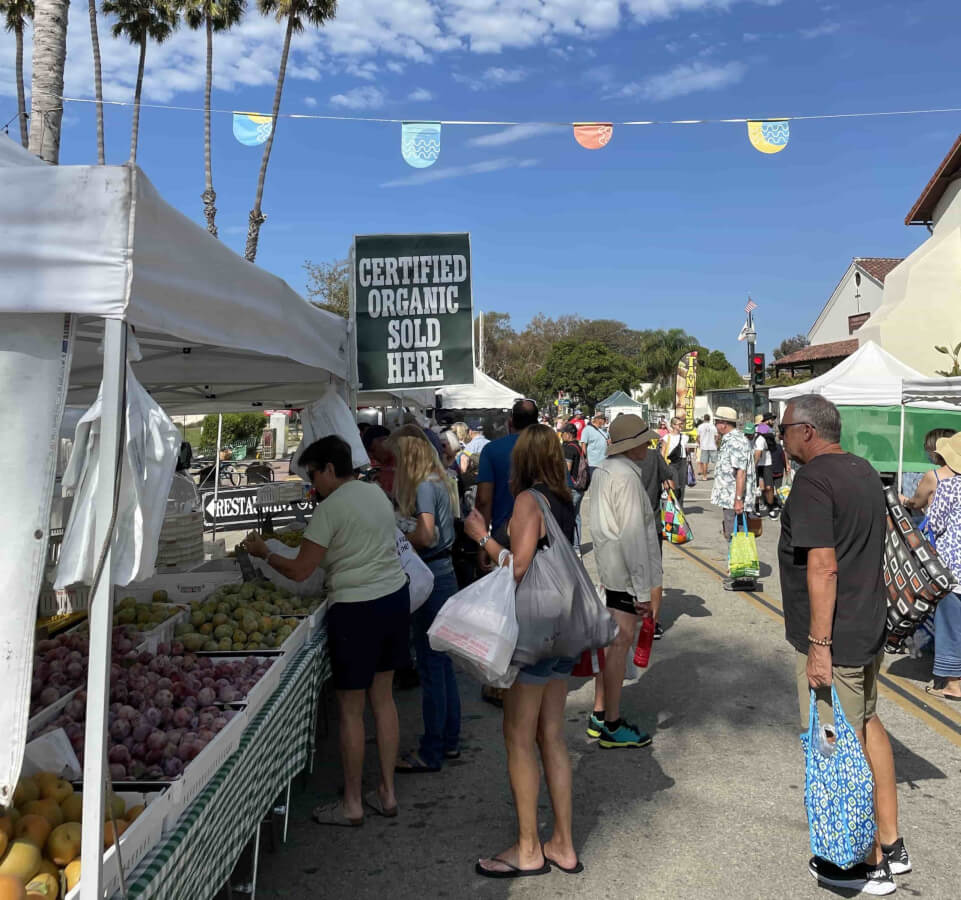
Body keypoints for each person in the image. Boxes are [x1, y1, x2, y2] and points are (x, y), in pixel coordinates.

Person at [777, 395, 910, 894]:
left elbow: (824, 565)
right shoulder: (863, 470)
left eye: (785, 428)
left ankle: (861, 863)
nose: (780, 437)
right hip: (866, 628)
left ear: (808, 431)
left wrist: (818, 645)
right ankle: (891, 844)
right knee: (868, 727)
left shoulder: (814, 481)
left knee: (836, 748)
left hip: (837, 639)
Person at [242, 436, 408, 825]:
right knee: (383, 700)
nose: (314, 484)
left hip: (355, 609)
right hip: (393, 598)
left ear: (330, 468)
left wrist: (265, 552)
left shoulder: (329, 511)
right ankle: (387, 792)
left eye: (315, 474)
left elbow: (301, 570)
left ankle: (352, 803)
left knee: (352, 710)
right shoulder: (375, 494)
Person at [464, 423, 581, 878]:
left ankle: (529, 847)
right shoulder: (564, 499)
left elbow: (519, 567)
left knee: (517, 736)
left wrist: (481, 537)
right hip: (565, 624)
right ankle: (563, 844)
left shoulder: (530, 500)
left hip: (534, 630)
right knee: (551, 734)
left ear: (523, 461)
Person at [587, 414, 662, 749]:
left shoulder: (604, 471)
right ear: (632, 446)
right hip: (625, 574)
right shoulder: (627, 478)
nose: (647, 445)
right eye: (643, 440)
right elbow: (633, 536)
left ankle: (601, 713)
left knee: (610, 645)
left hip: (611, 569)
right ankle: (612, 724)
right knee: (619, 645)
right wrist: (644, 592)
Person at [390, 427, 462, 773]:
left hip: (431, 576)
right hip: (444, 573)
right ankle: (449, 741)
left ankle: (432, 749)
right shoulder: (440, 480)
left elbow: (426, 534)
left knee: (433, 667)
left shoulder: (422, 486)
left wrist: (400, 536)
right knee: (443, 665)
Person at [475, 398, 540, 707]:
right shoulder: (544, 449)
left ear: (510, 423)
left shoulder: (493, 450)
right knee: (529, 610)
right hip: (540, 536)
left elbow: (484, 500)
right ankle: (529, 679)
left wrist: (482, 541)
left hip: (503, 534)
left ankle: (502, 683)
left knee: (503, 610)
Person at [924, 432, 961, 702]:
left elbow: (935, 524)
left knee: (951, 626)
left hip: (954, 571)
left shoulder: (949, 487)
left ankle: (954, 684)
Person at [711, 406, 757, 543]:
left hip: (734, 499)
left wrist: (738, 499)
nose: (716, 425)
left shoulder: (735, 442)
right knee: (732, 534)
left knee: (737, 538)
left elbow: (741, 472)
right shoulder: (730, 439)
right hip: (729, 497)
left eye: (717, 422)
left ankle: (741, 564)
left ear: (724, 424)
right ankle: (738, 562)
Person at [901, 428, 958, 514]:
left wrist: (902, 499)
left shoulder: (934, 476)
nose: (926, 451)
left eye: (927, 447)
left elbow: (915, 504)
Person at [560, 423, 586, 556]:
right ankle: (576, 548)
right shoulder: (578, 447)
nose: (561, 435)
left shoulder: (569, 449)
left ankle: (571, 548)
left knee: (568, 517)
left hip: (572, 488)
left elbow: (567, 469)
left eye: (562, 433)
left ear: (568, 434)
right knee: (577, 517)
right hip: (580, 487)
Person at [660, 416, 691, 507]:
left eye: (682, 423)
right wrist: (662, 465)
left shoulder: (685, 437)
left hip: (682, 462)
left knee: (681, 487)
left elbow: (687, 451)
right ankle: (672, 506)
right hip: (671, 463)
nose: (681, 425)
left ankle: (679, 507)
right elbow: (663, 452)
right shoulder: (667, 437)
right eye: (679, 424)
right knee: (674, 486)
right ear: (673, 425)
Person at [362, 425, 395, 496]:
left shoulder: (405, 464)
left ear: (385, 441)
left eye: (373, 450)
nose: (372, 456)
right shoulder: (383, 466)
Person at [696, 414, 718, 481]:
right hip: (712, 446)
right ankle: (718, 476)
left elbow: (697, 437)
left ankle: (704, 477)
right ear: (709, 419)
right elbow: (717, 436)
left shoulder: (700, 426)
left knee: (705, 462)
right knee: (716, 462)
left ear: (704, 419)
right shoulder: (713, 426)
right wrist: (715, 442)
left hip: (704, 446)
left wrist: (700, 443)